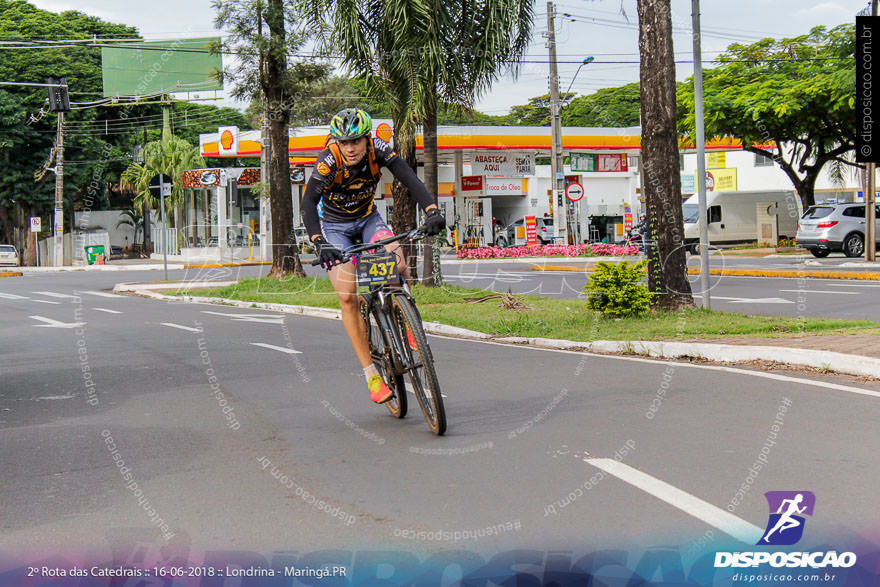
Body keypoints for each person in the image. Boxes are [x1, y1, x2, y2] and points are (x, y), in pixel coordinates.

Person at [301, 108, 445, 404]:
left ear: (367, 138)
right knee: (347, 296)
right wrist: (319, 242)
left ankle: (407, 324)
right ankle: (372, 375)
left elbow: (408, 177)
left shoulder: (379, 150)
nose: (350, 148)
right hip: (334, 227)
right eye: (344, 142)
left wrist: (431, 210)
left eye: (356, 141)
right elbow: (308, 202)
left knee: (398, 262)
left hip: (368, 220)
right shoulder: (328, 161)